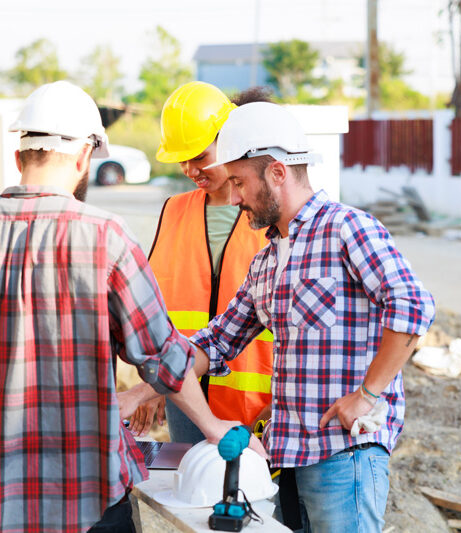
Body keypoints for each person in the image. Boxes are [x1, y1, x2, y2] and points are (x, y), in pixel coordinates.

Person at [0, 81, 258, 533]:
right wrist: (211, 425)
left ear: (19, 158)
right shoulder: (105, 235)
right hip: (87, 491)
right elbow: (159, 352)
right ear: (84, 158)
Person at [186, 102, 436, 533]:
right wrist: (146, 386)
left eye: (240, 183)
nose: (233, 198)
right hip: (287, 459)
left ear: (278, 173)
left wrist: (369, 394)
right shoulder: (267, 260)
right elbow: (216, 342)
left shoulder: (347, 228)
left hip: (344, 456)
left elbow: (412, 305)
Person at [125, 82, 274, 443]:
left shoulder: (270, 213)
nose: (190, 169)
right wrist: (156, 382)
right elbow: (158, 310)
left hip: (261, 401)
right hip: (187, 401)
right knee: (196, 495)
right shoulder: (174, 211)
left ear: (229, 143)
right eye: (182, 159)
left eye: (199, 156)